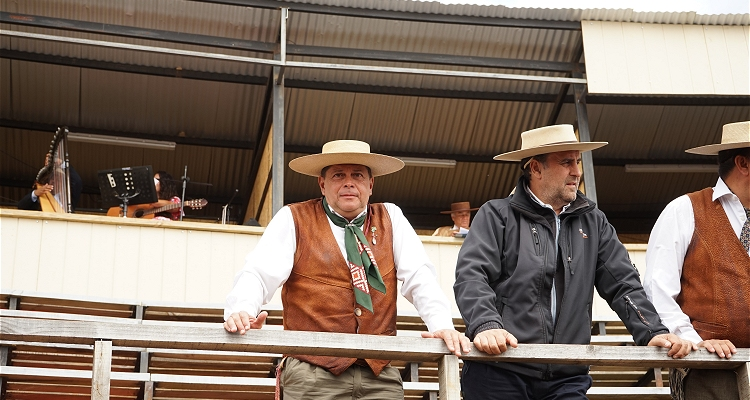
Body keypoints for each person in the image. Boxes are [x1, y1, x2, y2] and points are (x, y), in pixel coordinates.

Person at [453, 124, 694, 400]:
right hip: (498, 371)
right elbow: (471, 276)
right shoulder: (496, 215)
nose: (577, 171)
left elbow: (623, 283)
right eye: (566, 162)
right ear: (535, 168)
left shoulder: (594, 220)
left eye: (577, 161)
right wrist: (486, 324)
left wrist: (652, 330)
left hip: (566, 377)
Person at [224, 140, 470, 399]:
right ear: (322, 184)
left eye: (358, 175)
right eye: (339, 175)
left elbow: (420, 277)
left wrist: (441, 324)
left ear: (371, 185)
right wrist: (242, 310)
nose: (349, 182)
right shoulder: (293, 218)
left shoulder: (392, 217)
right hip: (312, 372)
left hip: (379, 373)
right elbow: (258, 272)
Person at [644, 120, 749, 400]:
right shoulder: (684, 209)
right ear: (743, 163)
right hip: (708, 370)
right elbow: (657, 289)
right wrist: (696, 343)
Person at [18, 165, 82, 212]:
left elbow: (77, 181)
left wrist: (62, 164)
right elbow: (21, 206)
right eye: (52, 178)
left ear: (62, 183)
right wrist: (34, 194)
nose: (54, 181)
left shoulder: (67, 199)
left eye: (58, 179)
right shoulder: (40, 194)